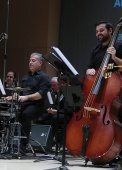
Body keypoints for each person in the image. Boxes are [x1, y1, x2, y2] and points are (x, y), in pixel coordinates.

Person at [85, 21, 122, 170]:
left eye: (101, 30)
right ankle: (98, 151)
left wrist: (114, 57)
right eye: (96, 32)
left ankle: (119, 155)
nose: (98, 34)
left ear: (110, 30)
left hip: (115, 90)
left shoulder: (119, 46)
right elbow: (89, 67)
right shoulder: (96, 50)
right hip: (99, 92)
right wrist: (89, 71)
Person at [6, 52, 50, 153]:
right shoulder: (26, 77)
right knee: (10, 113)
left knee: (24, 115)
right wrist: (12, 97)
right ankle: (8, 143)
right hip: (24, 104)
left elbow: (40, 94)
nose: (30, 63)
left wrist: (26, 97)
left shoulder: (44, 77)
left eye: (33, 61)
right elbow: (20, 93)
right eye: (30, 60)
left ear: (40, 63)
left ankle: (23, 145)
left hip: (37, 106)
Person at [41, 75, 77, 147]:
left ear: (68, 83)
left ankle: (53, 141)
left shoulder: (73, 92)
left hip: (69, 115)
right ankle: (43, 140)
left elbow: (71, 110)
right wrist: (51, 109)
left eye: (63, 83)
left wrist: (57, 111)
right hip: (60, 112)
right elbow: (56, 105)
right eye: (60, 83)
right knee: (44, 116)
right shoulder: (61, 93)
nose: (61, 85)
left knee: (55, 118)